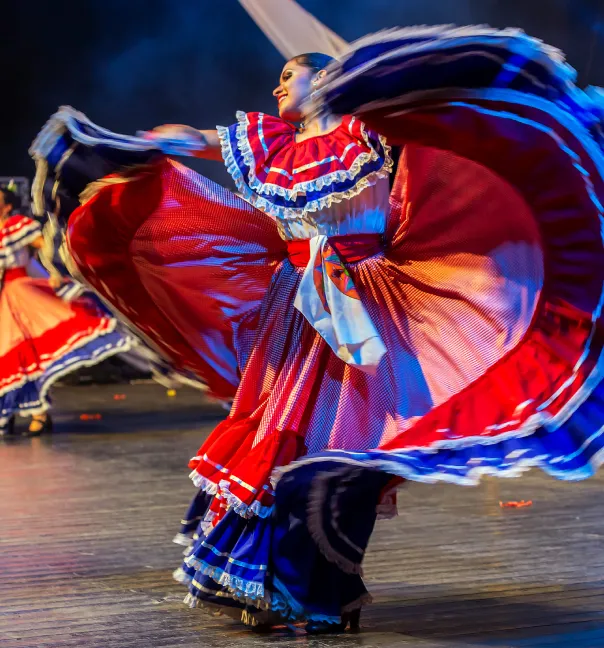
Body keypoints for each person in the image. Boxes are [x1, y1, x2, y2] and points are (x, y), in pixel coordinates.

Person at [30, 27, 604, 633]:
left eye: (291, 73)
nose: (278, 84)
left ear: (324, 81)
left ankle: (314, 587)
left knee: (345, 446)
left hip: (370, 300)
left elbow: (440, 135)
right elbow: (194, 138)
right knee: (278, 435)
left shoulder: (365, 132)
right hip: (298, 309)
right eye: (277, 77)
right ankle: (275, 582)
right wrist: (126, 144)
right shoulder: (269, 142)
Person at [0, 185, 132, 436]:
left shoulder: (15, 225)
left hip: (21, 295)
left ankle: (39, 414)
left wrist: (53, 272)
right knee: (8, 360)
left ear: (7, 206)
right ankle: (11, 413)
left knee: (26, 356)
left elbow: (44, 247)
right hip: (4, 299)